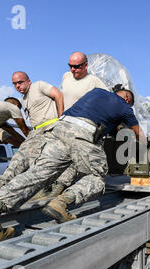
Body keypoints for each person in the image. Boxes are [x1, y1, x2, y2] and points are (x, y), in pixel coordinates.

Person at [0, 87, 146, 243]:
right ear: (128, 99)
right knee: (96, 177)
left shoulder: (96, 92)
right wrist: (146, 146)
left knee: (38, 174)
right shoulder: (125, 107)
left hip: (59, 129)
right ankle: (61, 203)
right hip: (82, 133)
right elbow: (137, 134)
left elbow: (100, 117)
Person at [37, 52, 108, 198]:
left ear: (85, 65)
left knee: (74, 160)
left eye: (76, 67)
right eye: (70, 66)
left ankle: (59, 188)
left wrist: (101, 126)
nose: (72, 70)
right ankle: (45, 187)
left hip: (82, 128)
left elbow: (108, 102)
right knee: (53, 156)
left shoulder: (95, 82)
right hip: (64, 125)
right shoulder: (66, 76)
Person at [0, 71, 64, 193]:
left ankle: (47, 189)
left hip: (51, 128)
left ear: (28, 81)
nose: (17, 86)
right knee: (22, 155)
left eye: (20, 82)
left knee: (50, 160)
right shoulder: (23, 99)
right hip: (36, 132)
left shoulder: (39, 85)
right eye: (14, 84)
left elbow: (58, 95)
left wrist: (61, 120)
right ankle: (2, 184)